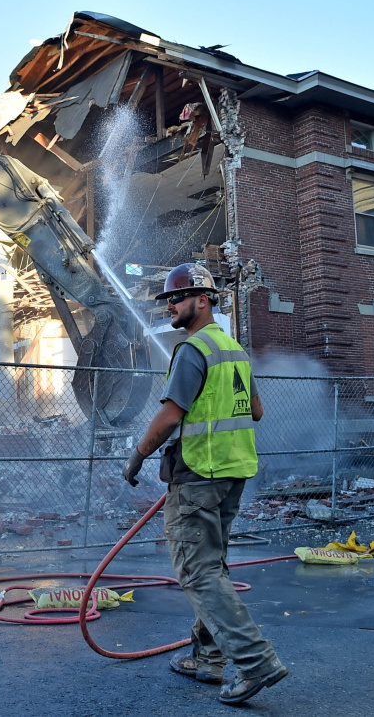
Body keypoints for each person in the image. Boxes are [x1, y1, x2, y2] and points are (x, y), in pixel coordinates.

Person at [121, 263, 287, 706]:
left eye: (178, 297)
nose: (170, 305)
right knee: (212, 566)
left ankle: (255, 663)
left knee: (197, 570)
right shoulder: (232, 349)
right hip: (232, 474)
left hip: (198, 476)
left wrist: (138, 455)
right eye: (168, 300)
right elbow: (255, 412)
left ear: (203, 300)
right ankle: (207, 658)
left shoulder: (193, 350)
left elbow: (172, 414)